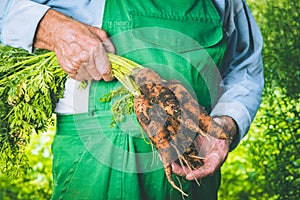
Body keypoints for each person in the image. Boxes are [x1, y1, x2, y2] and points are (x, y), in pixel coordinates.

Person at [0, 0, 264, 199]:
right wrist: (53, 28)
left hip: (193, 157)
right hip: (98, 162)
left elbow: (245, 64)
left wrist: (227, 124)